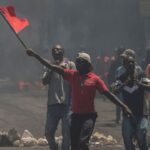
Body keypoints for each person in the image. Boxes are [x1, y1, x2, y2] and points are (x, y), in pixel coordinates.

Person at [26, 48, 132, 150]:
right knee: (75, 145)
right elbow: (51, 66)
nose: (76, 64)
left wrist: (124, 106)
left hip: (89, 117)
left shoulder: (95, 79)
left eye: (79, 61)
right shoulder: (72, 75)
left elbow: (108, 94)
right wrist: (35, 55)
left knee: (83, 143)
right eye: (76, 61)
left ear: (87, 64)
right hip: (75, 116)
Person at [111, 49, 150, 150]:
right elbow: (114, 89)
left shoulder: (139, 71)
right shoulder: (120, 71)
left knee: (141, 135)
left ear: (133, 61)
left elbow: (148, 86)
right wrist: (125, 77)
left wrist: (139, 83)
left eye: (127, 60)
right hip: (128, 111)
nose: (124, 62)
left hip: (141, 111)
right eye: (123, 60)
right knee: (127, 137)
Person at [42, 44, 75, 150]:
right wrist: (52, 68)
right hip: (52, 104)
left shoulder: (70, 64)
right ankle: (54, 148)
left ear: (63, 52)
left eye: (58, 49)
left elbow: (75, 80)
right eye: (54, 50)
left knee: (67, 134)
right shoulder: (48, 65)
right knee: (48, 133)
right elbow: (44, 81)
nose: (56, 51)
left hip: (66, 105)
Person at [108, 46, 125, 124]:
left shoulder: (115, 62)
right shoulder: (116, 62)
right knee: (121, 101)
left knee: (119, 101)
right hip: (122, 84)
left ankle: (119, 118)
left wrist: (111, 84)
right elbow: (111, 74)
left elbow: (111, 74)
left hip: (119, 84)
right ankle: (120, 117)